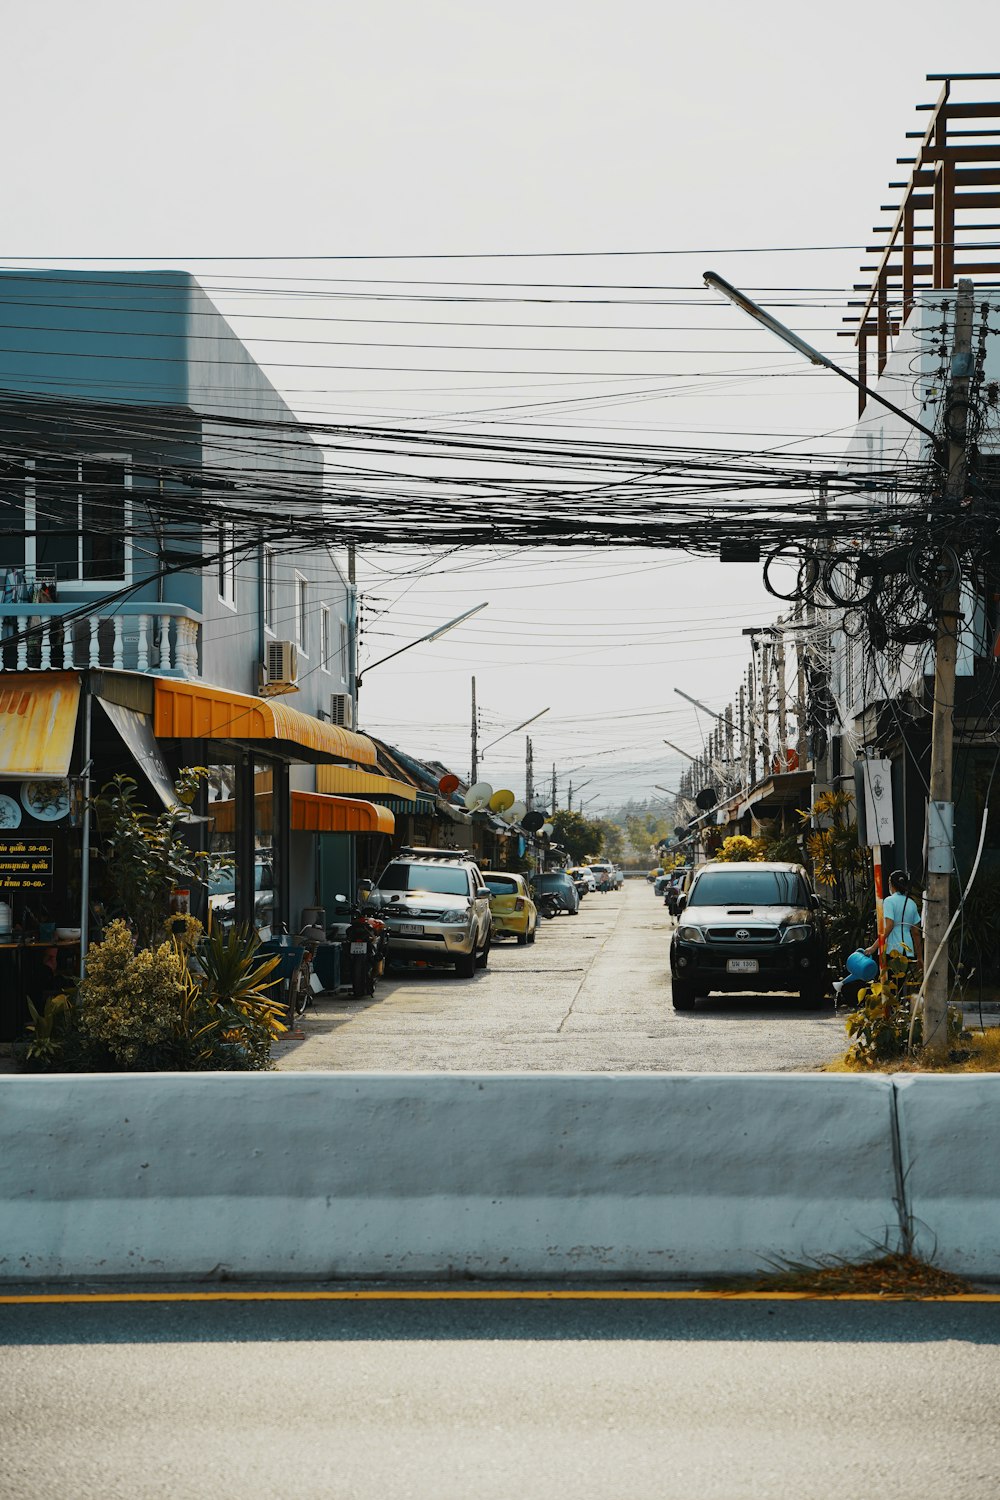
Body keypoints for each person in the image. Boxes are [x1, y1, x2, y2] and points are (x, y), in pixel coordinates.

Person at [866, 870, 923, 964]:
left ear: (891, 885)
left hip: (892, 949)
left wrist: (873, 947)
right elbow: (916, 932)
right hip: (907, 950)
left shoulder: (889, 901)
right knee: (902, 977)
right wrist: (920, 957)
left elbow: (889, 926)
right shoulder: (912, 903)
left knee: (892, 977)